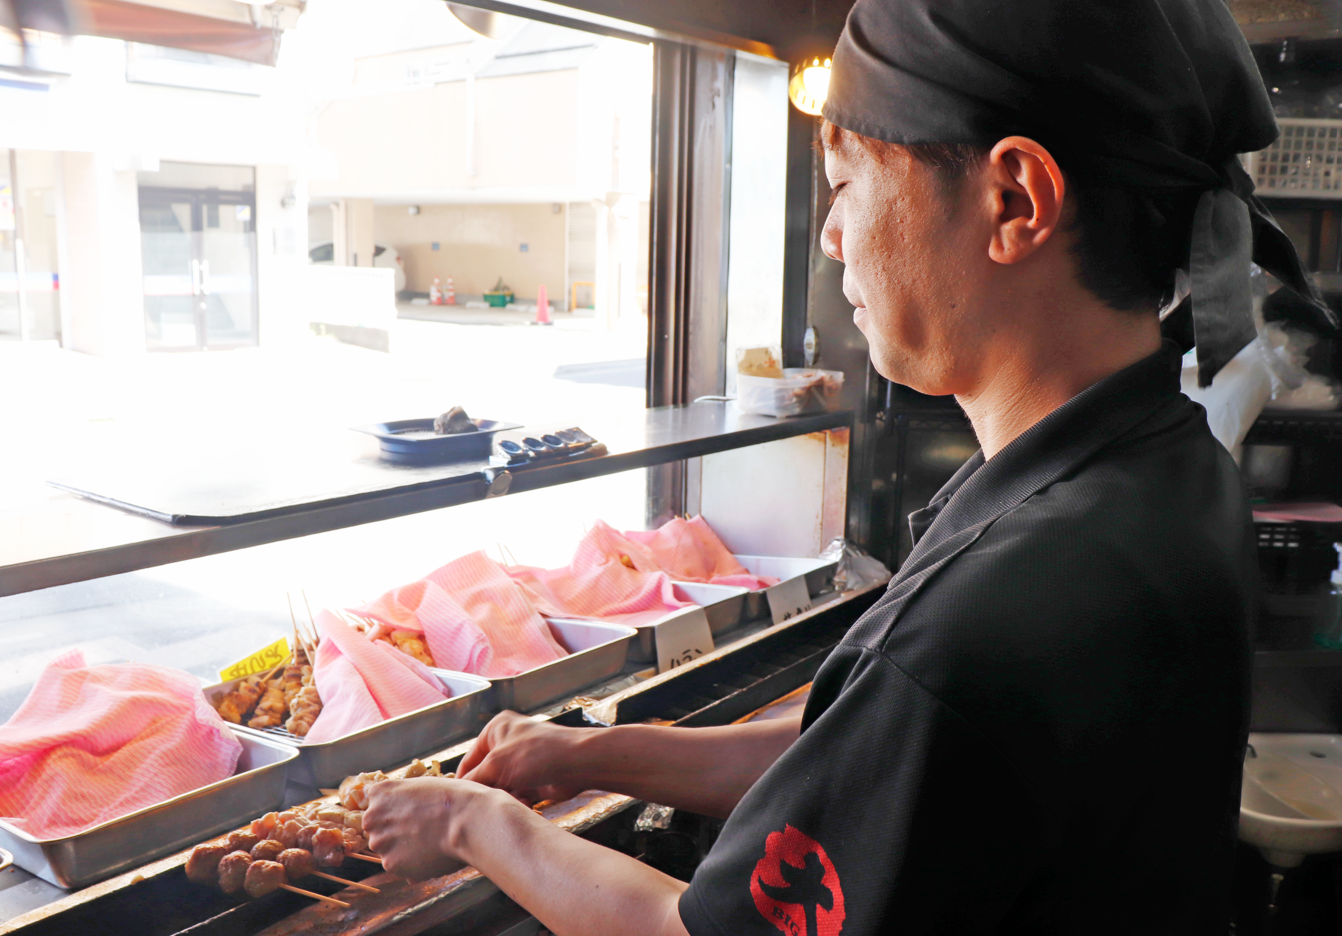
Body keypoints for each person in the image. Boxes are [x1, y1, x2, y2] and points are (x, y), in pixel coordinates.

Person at [364, 0, 1335, 932]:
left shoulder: (984, 620)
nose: (830, 237)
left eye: (844, 180)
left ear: (1013, 200)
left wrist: (469, 822)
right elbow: (878, 769)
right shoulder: (1167, 465)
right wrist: (596, 752)